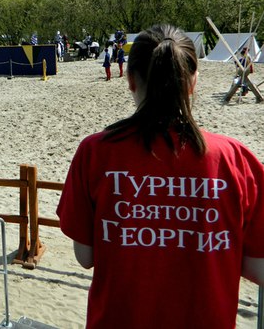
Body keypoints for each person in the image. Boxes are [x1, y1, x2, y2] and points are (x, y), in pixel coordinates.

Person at [57, 24, 264, 329]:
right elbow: (258, 267)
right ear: (193, 82)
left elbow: (85, 256)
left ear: (130, 80)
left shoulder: (95, 152)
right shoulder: (234, 158)